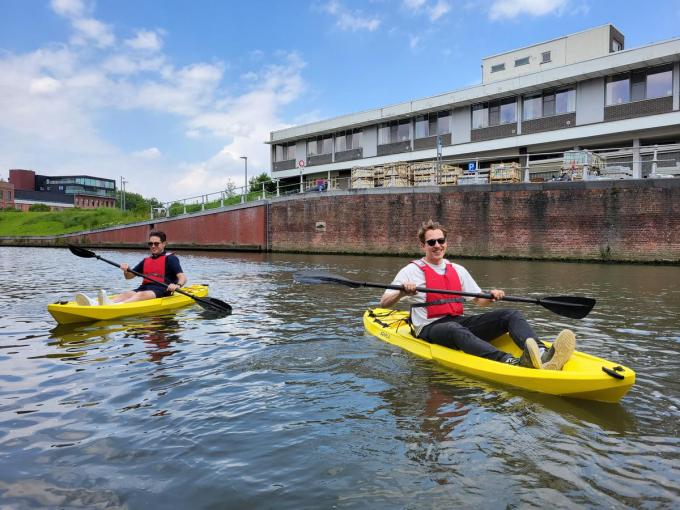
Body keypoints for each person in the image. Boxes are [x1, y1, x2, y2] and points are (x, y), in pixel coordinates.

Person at [379, 219, 575, 370]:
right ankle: (511, 362)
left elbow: (479, 300)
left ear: (446, 243)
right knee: (455, 329)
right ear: (423, 246)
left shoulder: (458, 270)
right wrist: (401, 291)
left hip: (458, 321)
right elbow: (384, 303)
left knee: (511, 314)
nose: (437, 245)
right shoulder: (411, 271)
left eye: (441, 240)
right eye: (431, 242)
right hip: (429, 328)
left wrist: (491, 296)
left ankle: (542, 354)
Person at [75, 231, 187, 306]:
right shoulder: (146, 260)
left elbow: (182, 277)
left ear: (164, 244)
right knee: (126, 294)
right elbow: (129, 277)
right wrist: (126, 270)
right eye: (150, 243)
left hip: (163, 289)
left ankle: (114, 307)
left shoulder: (171, 259)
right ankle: (97, 304)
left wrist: (177, 285)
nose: (153, 246)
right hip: (145, 288)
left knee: (140, 295)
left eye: (156, 243)